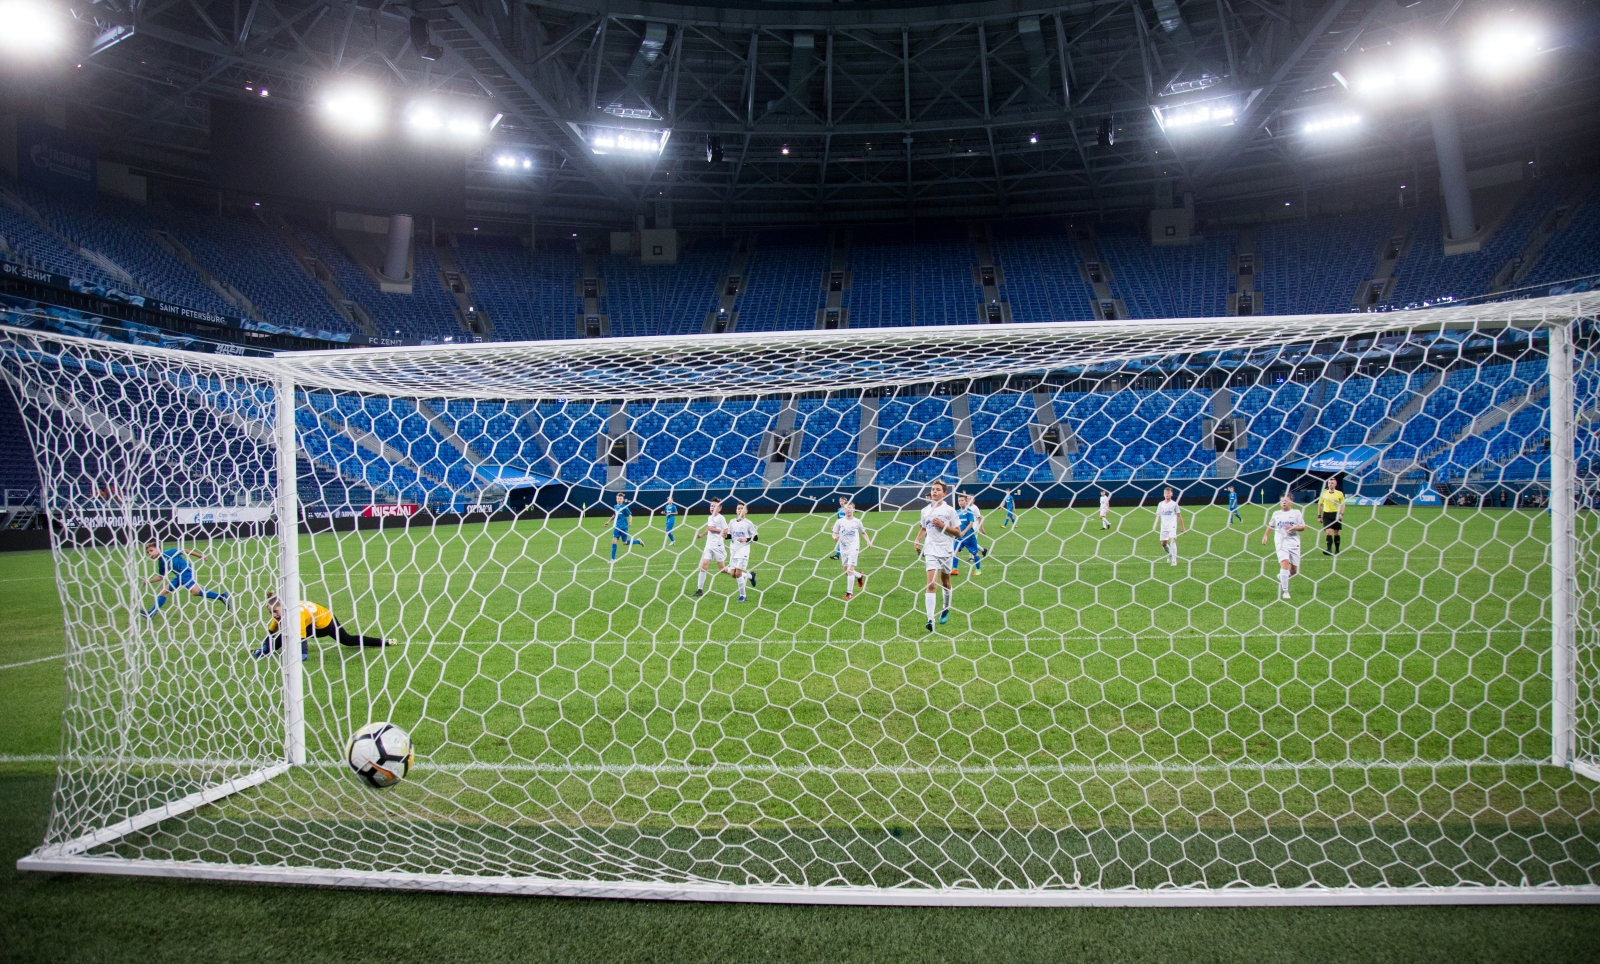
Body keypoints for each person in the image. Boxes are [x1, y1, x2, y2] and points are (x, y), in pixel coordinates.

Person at [253, 594, 388, 659]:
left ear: (282, 607)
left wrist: (303, 653)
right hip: (326, 616)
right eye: (270, 612)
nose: (273, 615)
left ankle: (267, 652)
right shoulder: (285, 610)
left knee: (289, 630)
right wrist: (265, 645)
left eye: (275, 611)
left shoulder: (296, 614)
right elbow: (272, 630)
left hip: (323, 626)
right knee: (348, 640)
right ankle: (382, 642)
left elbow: (301, 635)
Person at [913, 480, 963, 632]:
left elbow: (958, 532)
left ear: (944, 493)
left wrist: (943, 525)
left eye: (937, 490)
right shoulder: (925, 511)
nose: (934, 492)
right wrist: (917, 540)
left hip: (946, 550)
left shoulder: (950, 511)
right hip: (930, 550)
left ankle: (946, 607)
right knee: (931, 584)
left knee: (945, 582)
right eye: (933, 489)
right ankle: (930, 619)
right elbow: (924, 528)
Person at [143, 541, 229, 617]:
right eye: (148, 552)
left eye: (151, 550)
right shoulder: (161, 562)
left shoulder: (168, 552)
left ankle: (222, 596)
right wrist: (148, 581)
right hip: (179, 576)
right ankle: (151, 613)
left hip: (186, 572)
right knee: (163, 592)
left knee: (195, 592)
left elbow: (185, 550)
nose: (149, 553)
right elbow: (161, 576)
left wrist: (200, 556)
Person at [1262, 493, 1308, 600]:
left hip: (1294, 542)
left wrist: (1293, 528)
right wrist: (1265, 536)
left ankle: (1282, 576)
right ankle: (1285, 591)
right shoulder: (1276, 513)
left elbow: (1303, 527)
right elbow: (1271, 525)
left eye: (1286, 500)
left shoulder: (1296, 513)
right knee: (1285, 563)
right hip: (1280, 542)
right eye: (1282, 500)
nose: (1283, 502)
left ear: (1291, 503)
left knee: (1293, 571)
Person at [832, 501, 873, 600]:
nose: (848, 510)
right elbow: (834, 533)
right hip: (843, 548)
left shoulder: (857, 521)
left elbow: (863, 532)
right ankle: (859, 576)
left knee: (850, 570)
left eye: (850, 508)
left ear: (854, 509)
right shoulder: (840, 521)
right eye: (846, 508)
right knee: (846, 571)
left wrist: (868, 541)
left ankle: (849, 593)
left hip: (854, 547)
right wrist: (834, 537)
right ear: (843, 510)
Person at [693, 498, 730, 597]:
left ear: (719, 509)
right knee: (703, 566)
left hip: (718, 546)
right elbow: (709, 529)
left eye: (715, 506)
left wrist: (715, 529)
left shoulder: (721, 518)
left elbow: (726, 530)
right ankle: (699, 590)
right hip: (709, 545)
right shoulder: (710, 518)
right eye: (711, 505)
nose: (712, 507)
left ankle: (741, 575)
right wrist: (701, 535)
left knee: (722, 569)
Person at [724, 502, 760, 602]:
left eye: (742, 508)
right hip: (733, 550)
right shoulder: (732, 522)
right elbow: (730, 535)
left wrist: (746, 539)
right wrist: (724, 535)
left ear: (746, 511)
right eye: (738, 508)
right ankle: (750, 576)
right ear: (736, 510)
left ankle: (743, 596)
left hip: (743, 550)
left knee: (738, 573)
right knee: (733, 574)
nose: (740, 510)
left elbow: (756, 537)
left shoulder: (749, 523)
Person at [951, 493, 985, 575]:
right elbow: (956, 525)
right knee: (954, 552)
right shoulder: (957, 512)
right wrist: (955, 535)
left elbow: (971, 523)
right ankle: (955, 569)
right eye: (959, 501)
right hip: (960, 537)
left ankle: (978, 570)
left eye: (962, 500)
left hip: (969, 536)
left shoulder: (969, 511)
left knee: (974, 553)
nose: (960, 502)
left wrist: (963, 532)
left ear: (966, 501)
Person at [610, 491, 645, 561]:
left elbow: (630, 515)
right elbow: (614, 515)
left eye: (620, 499)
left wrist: (630, 521)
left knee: (625, 543)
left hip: (624, 527)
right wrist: (608, 521)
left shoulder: (625, 507)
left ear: (622, 500)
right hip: (616, 527)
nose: (619, 500)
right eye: (618, 498)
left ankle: (638, 541)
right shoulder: (615, 506)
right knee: (614, 541)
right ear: (616, 499)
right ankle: (613, 559)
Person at [1154, 487, 1184, 565]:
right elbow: (1158, 515)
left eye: (1168, 493)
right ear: (1164, 494)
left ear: (1171, 494)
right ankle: (1170, 553)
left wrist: (1183, 527)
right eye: (1166, 493)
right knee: (1163, 544)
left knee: (1172, 540)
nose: (1167, 494)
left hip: (1172, 525)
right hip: (1164, 526)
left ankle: (1174, 560)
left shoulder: (1174, 504)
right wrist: (1155, 525)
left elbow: (1179, 515)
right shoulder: (1160, 504)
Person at [1317, 477, 1346, 555]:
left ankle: (1337, 550)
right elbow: (1320, 505)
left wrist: (1341, 514)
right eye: (1329, 483)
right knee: (1328, 532)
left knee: (1336, 532)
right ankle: (1329, 550)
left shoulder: (1339, 493)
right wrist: (1319, 516)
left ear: (1335, 484)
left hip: (1336, 514)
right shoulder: (1324, 493)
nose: (1330, 484)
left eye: (1332, 483)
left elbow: (1343, 504)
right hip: (1326, 514)